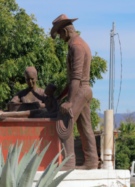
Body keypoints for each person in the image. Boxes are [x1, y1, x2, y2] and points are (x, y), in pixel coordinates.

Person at [51, 14, 98, 170]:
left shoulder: (76, 46)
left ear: (66, 30)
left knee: (65, 122)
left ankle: (69, 162)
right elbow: (73, 79)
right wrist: (60, 97)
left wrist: (69, 102)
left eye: (60, 34)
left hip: (81, 90)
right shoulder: (80, 43)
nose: (60, 37)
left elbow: (76, 77)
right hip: (84, 90)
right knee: (85, 127)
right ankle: (91, 161)